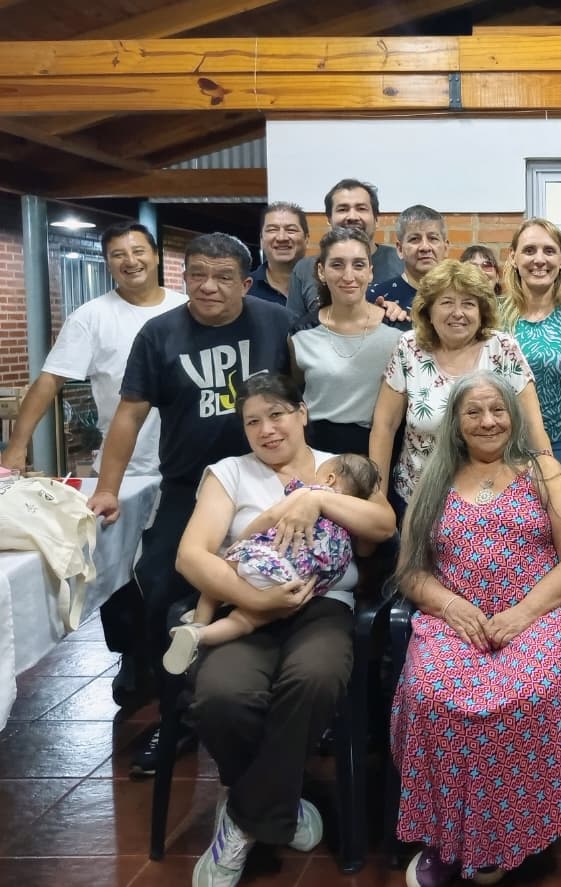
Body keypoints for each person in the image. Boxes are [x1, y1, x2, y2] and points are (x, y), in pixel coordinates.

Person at [176, 373, 396, 887]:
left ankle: (243, 818)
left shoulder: (340, 467)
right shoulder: (229, 473)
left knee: (313, 679)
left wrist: (317, 500)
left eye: (276, 415)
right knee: (222, 695)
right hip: (247, 606)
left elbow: (383, 525)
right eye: (253, 421)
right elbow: (191, 556)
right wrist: (257, 600)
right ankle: (281, 804)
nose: (267, 430)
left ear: (302, 413)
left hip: (323, 607)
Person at [86, 232, 293, 775]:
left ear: (246, 284)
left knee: (283, 581)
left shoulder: (277, 324)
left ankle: (275, 707)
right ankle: (176, 716)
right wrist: (107, 488)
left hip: (267, 483)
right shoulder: (159, 334)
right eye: (197, 274)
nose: (208, 286)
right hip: (190, 487)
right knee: (159, 584)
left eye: (223, 277)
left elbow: (303, 400)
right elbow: (129, 415)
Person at [390, 372, 561, 887]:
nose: (488, 421)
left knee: (524, 695)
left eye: (497, 410)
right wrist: (450, 605)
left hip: (541, 615)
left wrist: (523, 613)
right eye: (473, 412)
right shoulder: (434, 479)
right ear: (456, 423)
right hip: (454, 621)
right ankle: (448, 839)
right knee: (434, 695)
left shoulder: (543, 471)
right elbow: (411, 571)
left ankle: (508, 835)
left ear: (514, 416)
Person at [163, 451, 381, 675]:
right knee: (246, 621)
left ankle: (198, 623)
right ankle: (200, 637)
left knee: (217, 571)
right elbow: (365, 548)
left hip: (270, 563)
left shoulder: (309, 493)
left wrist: (239, 545)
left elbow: (270, 517)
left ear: (330, 479)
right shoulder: (352, 516)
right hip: (296, 586)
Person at [2, 221, 187, 476]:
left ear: (156, 256)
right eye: (118, 255)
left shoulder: (188, 308)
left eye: (138, 251)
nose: (130, 261)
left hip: (189, 462)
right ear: (108, 264)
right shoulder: (90, 317)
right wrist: (16, 447)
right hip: (124, 468)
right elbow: (49, 381)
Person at [368, 260, 552, 511]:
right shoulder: (408, 347)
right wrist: (377, 496)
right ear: (428, 310)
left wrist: (551, 488)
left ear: (482, 311)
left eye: (468, 304)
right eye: (447, 303)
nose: (458, 313)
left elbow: (533, 427)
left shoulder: (503, 348)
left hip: (494, 501)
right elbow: (384, 426)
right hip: (419, 499)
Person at [498, 218, 561, 485]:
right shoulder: (493, 315)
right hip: (503, 447)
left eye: (549, 251)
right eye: (529, 250)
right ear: (513, 257)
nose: (539, 259)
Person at [289, 228, 402, 454]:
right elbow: (295, 388)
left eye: (359, 265)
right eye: (337, 265)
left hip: (380, 450)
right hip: (318, 452)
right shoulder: (301, 334)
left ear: (370, 272)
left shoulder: (398, 332)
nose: (348, 276)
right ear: (321, 271)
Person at [286, 178, 404, 317]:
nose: (352, 216)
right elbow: (294, 326)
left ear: (376, 219)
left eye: (361, 208)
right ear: (329, 219)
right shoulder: (304, 269)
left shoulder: (402, 262)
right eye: (342, 209)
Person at [367, 205, 450, 316]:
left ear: (446, 248)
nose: (425, 247)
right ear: (400, 249)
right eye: (414, 239)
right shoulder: (375, 297)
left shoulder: (463, 295)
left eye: (433, 238)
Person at [247, 202, 308, 306]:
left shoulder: (327, 285)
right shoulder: (244, 289)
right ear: (261, 240)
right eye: (272, 230)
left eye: (291, 230)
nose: (281, 238)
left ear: (306, 239)